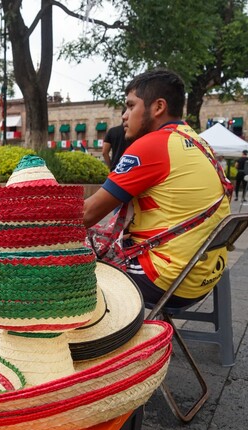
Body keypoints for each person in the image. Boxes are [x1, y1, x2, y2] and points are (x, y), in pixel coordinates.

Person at [84, 69, 231, 309]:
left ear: (158, 107)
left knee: (65, 270)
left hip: (166, 279)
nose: (124, 116)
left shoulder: (152, 145)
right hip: (204, 274)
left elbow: (87, 214)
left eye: (130, 106)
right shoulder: (198, 142)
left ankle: (78, 342)